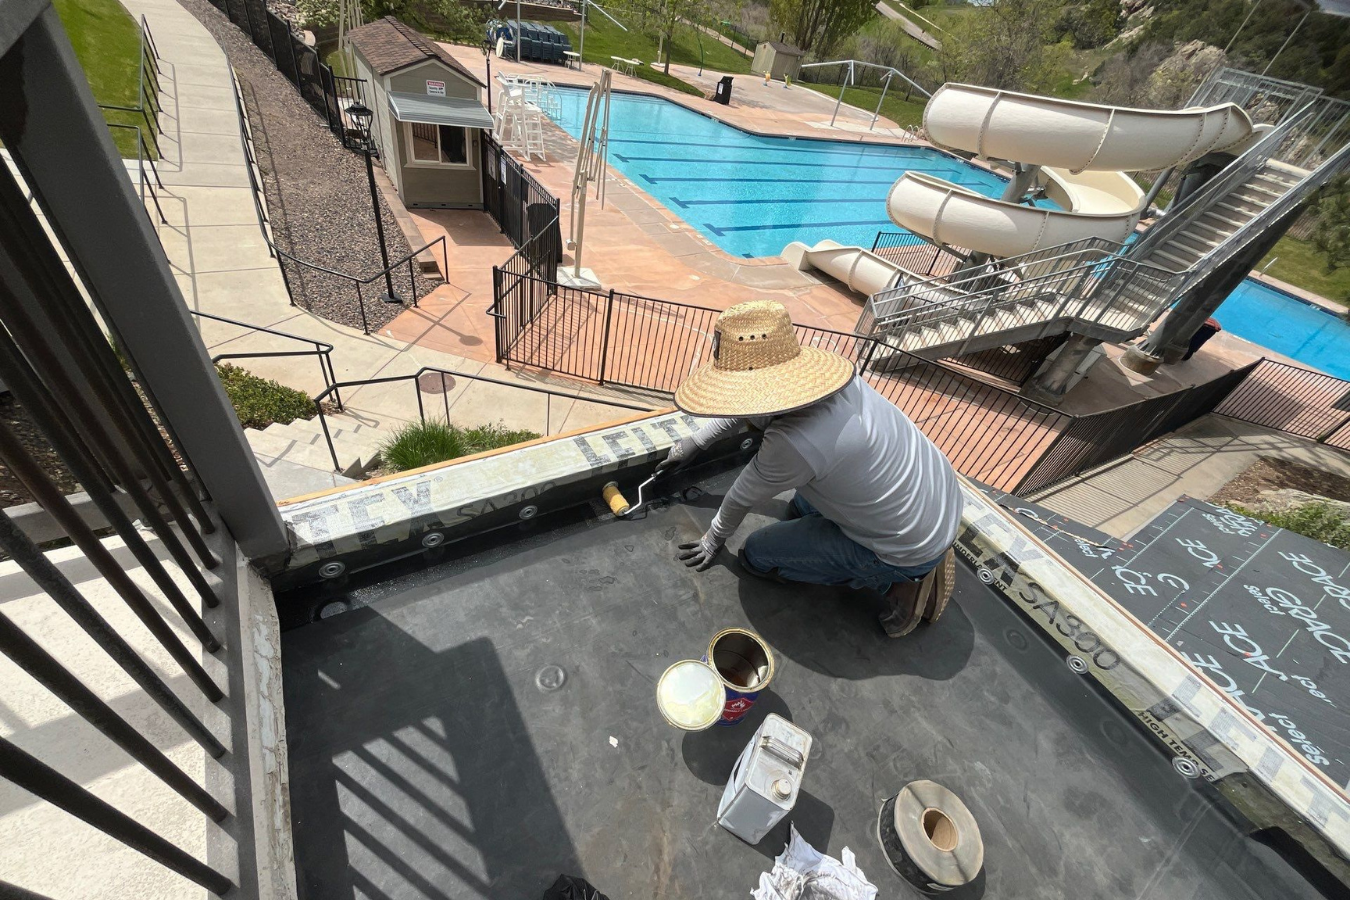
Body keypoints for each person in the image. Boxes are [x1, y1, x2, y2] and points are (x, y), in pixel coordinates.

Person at [661, 299, 962, 638]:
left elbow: (741, 496)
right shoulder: (835, 384)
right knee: (798, 506)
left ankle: (899, 584)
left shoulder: (795, 442)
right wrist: (696, 443)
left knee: (758, 556)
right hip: (936, 498)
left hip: (907, 545)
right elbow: (747, 405)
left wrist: (712, 539)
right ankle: (914, 551)